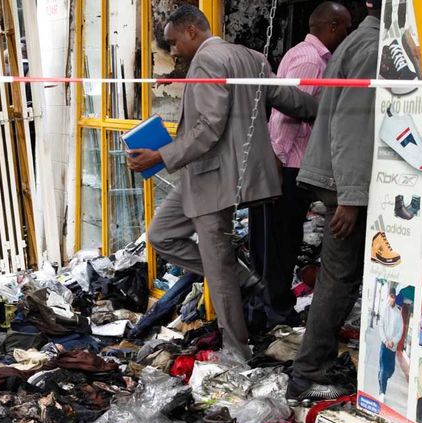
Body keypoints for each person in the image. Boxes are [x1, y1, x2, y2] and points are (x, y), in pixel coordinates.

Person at [125, 5, 317, 361]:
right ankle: (243, 278)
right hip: (212, 175)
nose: (173, 51)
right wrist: (325, 108)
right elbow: (288, 100)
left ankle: (237, 351)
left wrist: (161, 156)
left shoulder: (207, 61)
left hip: (214, 177)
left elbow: (209, 126)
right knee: (162, 235)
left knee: (217, 270)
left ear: (192, 32)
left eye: (173, 42)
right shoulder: (251, 58)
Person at [285, 0, 381, 403]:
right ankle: (308, 373)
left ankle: (312, 367)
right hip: (344, 184)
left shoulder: (360, 41)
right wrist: (352, 198)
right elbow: (354, 123)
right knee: (338, 278)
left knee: (337, 276)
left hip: (338, 179)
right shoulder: (373, 48)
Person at [259, 2, 351, 322]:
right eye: (346, 29)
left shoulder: (304, 54)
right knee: (282, 243)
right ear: (333, 27)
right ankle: (278, 311)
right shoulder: (311, 61)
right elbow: (286, 113)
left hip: (288, 163)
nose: (348, 35)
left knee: (283, 240)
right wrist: (278, 160)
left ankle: (274, 307)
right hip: (288, 165)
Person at [377, 286, 403, 403]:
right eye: (390, 296)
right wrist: (385, 340)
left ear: (395, 298)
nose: (391, 299)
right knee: (383, 368)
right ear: (388, 297)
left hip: (392, 347)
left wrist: (393, 341)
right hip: (384, 345)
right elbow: (381, 326)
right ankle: (382, 392)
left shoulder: (398, 313)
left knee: (390, 370)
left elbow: (400, 331)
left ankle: (382, 378)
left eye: (393, 297)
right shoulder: (384, 309)